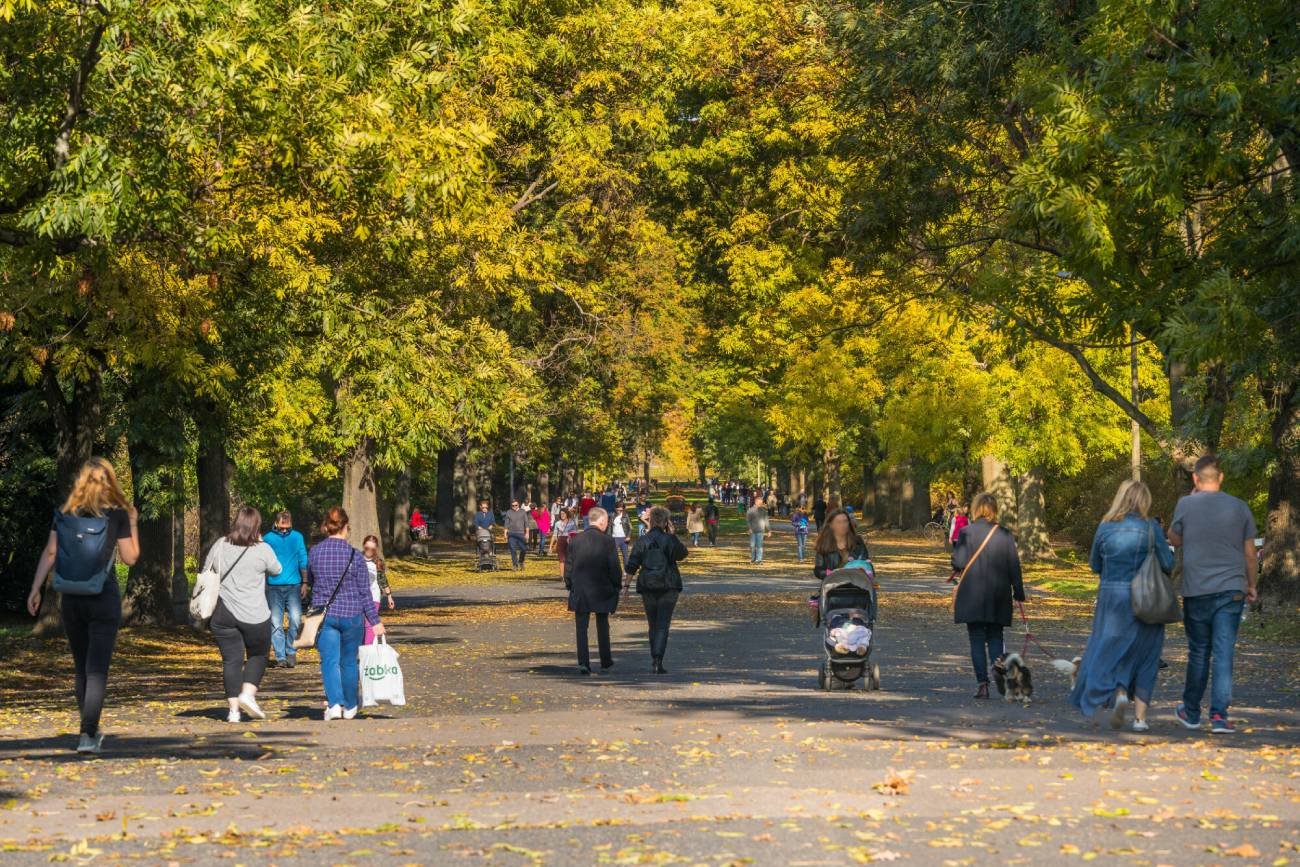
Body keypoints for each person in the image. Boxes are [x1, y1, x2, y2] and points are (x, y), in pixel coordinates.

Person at [26, 457, 140, 754]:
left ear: (80, 481)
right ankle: (88, 734)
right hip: (103, 596)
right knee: (97, 670)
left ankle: (88, 730)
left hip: (71, 599)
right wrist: (134, 523)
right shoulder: (117, 515)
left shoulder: (65, 513)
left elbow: (50, 553)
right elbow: (130, 558)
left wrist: (35, 588)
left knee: (81, 668)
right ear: (110, 482)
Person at [1069, 480, 1173, 731]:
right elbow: (1168, 564)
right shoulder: (1151, 528)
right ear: (1144, 501)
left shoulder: (1105, 527)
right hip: (1145, 598)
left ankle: (1118, 694)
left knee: (1112, 649)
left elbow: (1095, 564)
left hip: (1111, 598)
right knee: (1147, 655)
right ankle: (1140, 719)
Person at [1168, 455, 1259, 734]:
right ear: (1221, 478)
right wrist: (1251, 585)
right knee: (1223, 653)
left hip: (1197, 589)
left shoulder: (1186, 504)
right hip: (1232, 588)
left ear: (1195, 478)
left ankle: (1191, 712)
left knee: (1198, 652)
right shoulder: (1240, 507)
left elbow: (1174, 539)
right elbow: (1250, 554)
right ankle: (1219, 715)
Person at [204, 506, 281, 723]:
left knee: (231, 660)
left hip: (224, 614)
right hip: (255, 614)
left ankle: (234, 711)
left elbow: (208, 567)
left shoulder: (221, 544)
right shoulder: (263, 549)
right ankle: (248, 694)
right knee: (258, 655)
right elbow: (277, 569)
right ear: (257, 526)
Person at [308, 506, 383, 720]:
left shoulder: (314, 552)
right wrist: (374, 620)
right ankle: (350, 705)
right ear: (346, 527)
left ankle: (334, 704)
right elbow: (364, 592)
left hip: (325, 615)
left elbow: (311, 582)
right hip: (352, 615)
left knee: (329, 661)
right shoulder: (355, 556)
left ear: (327, 527)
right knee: (349, 662)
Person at [952, 492, 1025, 699]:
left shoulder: (966, 532)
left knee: (976, 639)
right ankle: (997, 667)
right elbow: (1014, 566)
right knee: (995, 636)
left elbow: (958, 563)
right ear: (995, 510)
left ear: (976, 508)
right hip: (998, 593)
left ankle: (982, 684)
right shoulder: (1005, 534)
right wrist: (1018, 592)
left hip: (972, 593)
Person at [626, 506, 689, 674]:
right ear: (666, 522)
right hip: (668, 585)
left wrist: (626, 586)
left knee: (652, 623)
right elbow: (682, 554)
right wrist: (673, 534)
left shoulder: (642, 540)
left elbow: (632, 564)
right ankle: (657, 659)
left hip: (647, 584)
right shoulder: (669, 539)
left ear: (651, 520)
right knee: (663, 623)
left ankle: (654, 655)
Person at [564, 507, 623, 675]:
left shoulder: (575, 540)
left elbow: (568, 566)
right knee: (602, 625)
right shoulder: (607, 541)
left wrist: (570, 584)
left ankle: (583, 662)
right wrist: (616, 584)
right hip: (601, 588)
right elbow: (614, 567)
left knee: (581, 628)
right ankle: (605, 660)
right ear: (602, 521)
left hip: (581, 589)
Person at [264, 510, 309, 668]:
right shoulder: (268, 539)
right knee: (275, 622)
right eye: (282, 527)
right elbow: (263, 561)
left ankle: (290, 650)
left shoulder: (297, 537)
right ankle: (280, 657)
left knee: (295, 619)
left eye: (287, 527)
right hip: (274, 586)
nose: (284, 530)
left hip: (294, 585)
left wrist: (305, 582)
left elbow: (303, 557)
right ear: (276, 523)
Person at [813, 508, 868, 579]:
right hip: (833, 585)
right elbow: (818, 570)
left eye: (845, 521)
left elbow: (866, 563)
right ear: (831, 525)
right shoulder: (823, 544)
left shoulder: (857, 542)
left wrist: (862, 569)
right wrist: (831, 574)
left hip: (856, 584)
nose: (843, 525)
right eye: (838, 522)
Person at [360, 534, 395, 645]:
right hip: (358, 597)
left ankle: (367, 648)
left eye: (372, 549)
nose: (369, 551)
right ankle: (359, 647)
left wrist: (389, 596)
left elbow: (383, 580)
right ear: (363, 546)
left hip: (374, 597)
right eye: (367, 548)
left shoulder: (378, 562)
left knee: (370, 623)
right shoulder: (357, 559)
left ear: (375, 549)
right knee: (359, 624)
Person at [503, 499, 530, 570]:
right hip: (511, 534)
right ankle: (515, 565)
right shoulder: (509, 512)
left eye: (516, 505)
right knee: (513, 549)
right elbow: (506, 524)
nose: (514, 506)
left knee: (523, 549)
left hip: (521, 533)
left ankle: (521, 561)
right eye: (513, 505)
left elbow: (526, 523)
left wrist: (527, 533)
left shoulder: (523, 511)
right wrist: (505, 533)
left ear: (519, 505)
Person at [551, 508, 578, 577]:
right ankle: (562, 576)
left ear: (567, 514)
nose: (562, 515)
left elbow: (575, 532)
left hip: (570, 541)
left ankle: (569, 574)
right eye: (561, 514)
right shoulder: (557, 523)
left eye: (563, 513)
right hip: (560, 541)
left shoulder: (572, 522)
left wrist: (571, 539)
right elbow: (554, 535)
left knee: (569, 558)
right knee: (561, 559)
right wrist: (551, 546)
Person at [745, 498, 771, 564]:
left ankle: (759, 560)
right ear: (756, 502)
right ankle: (753, 559)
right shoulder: (750, 510)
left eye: (761, 503)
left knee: (759, 546)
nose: (761, 504)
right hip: (753, 531)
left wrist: (769, 530)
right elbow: (748, 520)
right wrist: (749, 528)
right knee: (752, 546)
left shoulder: (763, 511)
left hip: (760, 530)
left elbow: (766, 520)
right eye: (760, 503)